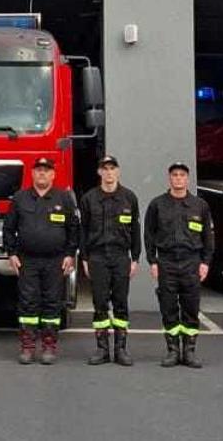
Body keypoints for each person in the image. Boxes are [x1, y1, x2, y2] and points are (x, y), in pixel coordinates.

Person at [7, 157, 79, 364]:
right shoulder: (20, 198)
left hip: (55, 261)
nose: (42, 174)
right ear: (32, 174)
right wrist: (12, 253)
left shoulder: (63, 198)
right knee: (27, 304)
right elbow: (10, 229)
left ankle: (49, 346)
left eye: (46, 171)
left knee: (52, 304)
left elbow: (73, 229)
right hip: (27, 261)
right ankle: (28, 347)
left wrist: (69, 254)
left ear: (53, 175)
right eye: (38, 170)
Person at [145, 162, 214, 368]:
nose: (178, 178)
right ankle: (173, 350)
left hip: (191, 261)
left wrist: (205, 262)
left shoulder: (199, 205)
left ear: (187, 179)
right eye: (174, 175)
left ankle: (189, 352)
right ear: (169, 179)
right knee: (168, 307)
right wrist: (152, 261)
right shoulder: (157, 205)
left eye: (182, 175)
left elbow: (208, 237)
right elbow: (149, 235)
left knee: (191, 307)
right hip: (166, 261)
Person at [79, 155, 141, 365]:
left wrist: (136, 258)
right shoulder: (89, 198)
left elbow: (135, 229)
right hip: (97, 257)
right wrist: (85, 258)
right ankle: (102, 350)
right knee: (100, 304)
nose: (109, 172)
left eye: (112, 168)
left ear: (118, 171)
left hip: (121, 257)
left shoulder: (129, 198)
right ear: (99, 172)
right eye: (105, 169)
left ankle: (121, 349)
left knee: (121, 304)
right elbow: (83, 230)